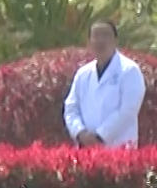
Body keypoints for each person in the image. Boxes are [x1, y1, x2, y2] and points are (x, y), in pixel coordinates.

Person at [62, 20, 145, 149]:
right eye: (96, 36)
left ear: (116, 41)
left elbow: (128, 110)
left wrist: (100, 136)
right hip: (85, 150)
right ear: (89, 43)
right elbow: (71, 108)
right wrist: (80, 133)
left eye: (106, 35)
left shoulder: (129, 70)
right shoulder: (82, 74)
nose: (101, 40)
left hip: (119, 149)